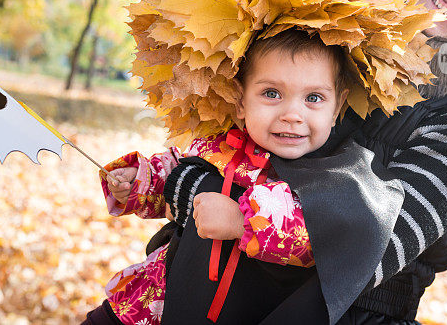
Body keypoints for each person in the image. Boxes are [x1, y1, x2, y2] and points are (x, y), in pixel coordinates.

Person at [161, 0, 447, 324]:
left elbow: (361, 249)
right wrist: (170, 182)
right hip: (194, 294)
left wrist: (195, 191)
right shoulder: (313, 46)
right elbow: (221, 154)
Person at [82, 29, 352, 325]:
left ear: (337, 106)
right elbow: (175, 170)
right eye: (271, 94)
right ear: (240, 101)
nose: (292, 114)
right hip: (158, 296)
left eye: (313, 98)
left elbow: (320, 235)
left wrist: (241, 221)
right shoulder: (220, 145)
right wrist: (138, 180)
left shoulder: (331, 175)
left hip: (241, 309)